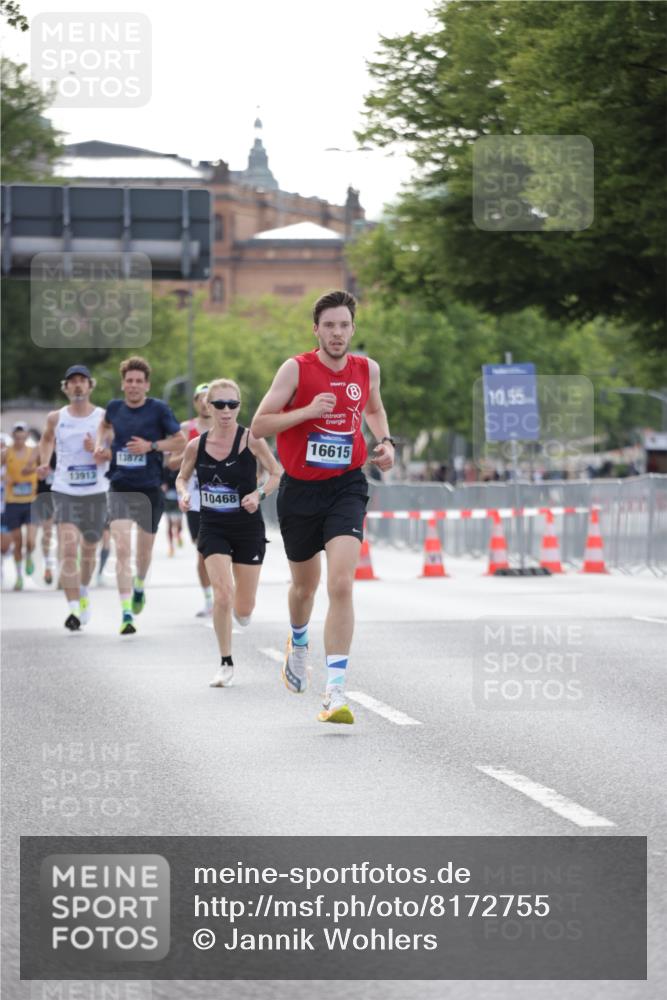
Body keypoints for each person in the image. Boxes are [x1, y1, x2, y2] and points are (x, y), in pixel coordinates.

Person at [251, 289, 395, 724]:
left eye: (344, 325)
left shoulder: (366, 369)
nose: (337, 333)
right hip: (299, 491)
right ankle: (297, 643)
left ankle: (335, 692)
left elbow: (374, 409)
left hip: (346, 486)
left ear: (353, 328)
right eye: (329, 325)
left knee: (342, 586)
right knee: (304, 589)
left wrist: (385, 443)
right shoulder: (296, 369)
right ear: (316, 330)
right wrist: (307, 411)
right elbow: (258, 425)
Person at [176, 378, 281, 687]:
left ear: (239, 407)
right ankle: (225, 662)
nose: (225, 410)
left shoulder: (252, 440)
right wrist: (184, 494)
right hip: (213, 525)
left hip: (247, 526)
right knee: (223, 594)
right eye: (219, 404)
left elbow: (277, 473)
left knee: (244, 608)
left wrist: (258, 494)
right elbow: (182, 477)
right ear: (208, 407)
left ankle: (241, 611)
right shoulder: (196, 445)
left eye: (231, 405)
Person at [94, 356, 185, 635]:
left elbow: (180, 440)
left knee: (144, 551)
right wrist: (101, 444)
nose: (133, 386)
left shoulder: (158, 409)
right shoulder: (114, 408)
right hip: (120, 485)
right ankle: (125, 614)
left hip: (150, 487)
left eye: (138, 381)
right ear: (123, 384)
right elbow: (105, 426)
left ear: (147, 385)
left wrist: (152, 446)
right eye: (129, 381)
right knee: (122, 550)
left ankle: (139, 586)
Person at [38, 364, 111, 630]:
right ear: (66, 387)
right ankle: (72, 610)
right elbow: (46, 440)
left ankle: (82, 591)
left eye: (82, 380)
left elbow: (114, 452)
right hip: (65, 490)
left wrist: (99, 451)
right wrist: (45, 462)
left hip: (96, 491)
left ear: (90, 386)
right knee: (68, 549)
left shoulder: (104, 417)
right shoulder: (56, 417)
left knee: (89, 548)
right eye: (73, 381)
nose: (78, 385)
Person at [166, 383, 214, 615]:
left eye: (209, 398)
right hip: (195, 499)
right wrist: (190, 451)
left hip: (223, 498)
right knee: (203, 551)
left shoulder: (226, 426)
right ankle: (209, 600)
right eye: (201, 398)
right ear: (195, 402)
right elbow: (171, 463)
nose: (205, 402)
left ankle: (224, 594)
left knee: (225, 550)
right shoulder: (186, 428)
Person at [1, 422, 39, 590]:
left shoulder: (33, 452)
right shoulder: (6, 452)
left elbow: (44, 467)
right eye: (16, 436)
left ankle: (29, 555)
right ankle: (19, 577)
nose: (19, 439)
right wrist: (4, 478)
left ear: (26, 436)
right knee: (18, 542)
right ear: (13, 436)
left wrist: (36, 472)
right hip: (12, 502)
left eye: (22, 435)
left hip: (31, 501)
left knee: (30, 541)